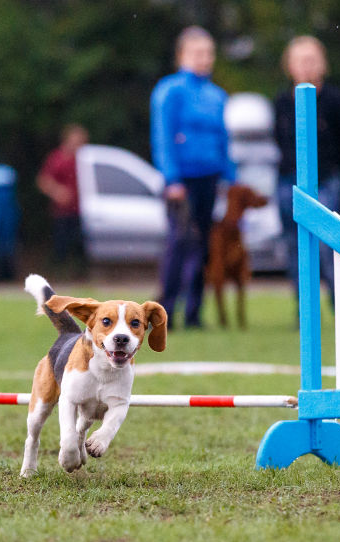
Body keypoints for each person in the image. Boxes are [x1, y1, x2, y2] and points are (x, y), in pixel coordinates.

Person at [150, 26, 235, 328]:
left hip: (210, 178)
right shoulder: (169, 90)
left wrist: (230, 177)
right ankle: (164, 312)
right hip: (181, 181)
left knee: (204, 245)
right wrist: (171, 178)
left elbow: (224, 139)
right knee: (180, 242)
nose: (204, 59)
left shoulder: (217, 96)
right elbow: (163, 137)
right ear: (182, 56)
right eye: (197, 53)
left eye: (208, 53)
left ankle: (195, 312)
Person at [274, 35, 340, 314]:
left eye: (312, 60)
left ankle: (338, 303)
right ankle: (304, 308)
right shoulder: (282, 101)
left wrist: (330, 169)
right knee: (294, 246)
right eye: (300, 61)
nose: (306, 66)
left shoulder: (334, 100)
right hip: (288, 181)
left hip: (325, 180)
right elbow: (279, 140)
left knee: (327, 245)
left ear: (322, 64)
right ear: (290, 66)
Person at [36, 124, 89, 277]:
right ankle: (59, 275)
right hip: (62, 212)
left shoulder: (84, 159)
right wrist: (58, 192)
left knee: (81, 247)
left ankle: (80, 276)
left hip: (83, 211)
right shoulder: (57, 158)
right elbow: (43, 180)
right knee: (61, 246)